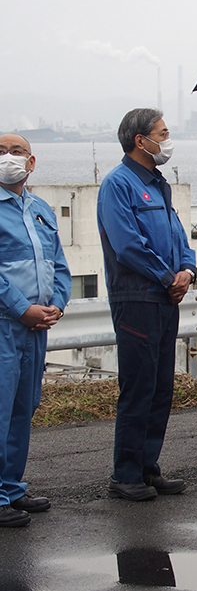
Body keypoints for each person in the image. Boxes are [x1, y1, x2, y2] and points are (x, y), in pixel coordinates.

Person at [97, 108, 195, 501]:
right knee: (138, 386)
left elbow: (176, 235)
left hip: (165, 296)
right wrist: (167, 276)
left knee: (160, 387)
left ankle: (147, 466)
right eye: (163, 133)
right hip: (137, 297)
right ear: (141, 141)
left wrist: (186, 268)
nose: (168, 140)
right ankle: (125, 474)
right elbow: (127, 245)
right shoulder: (117, 184)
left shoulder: (158, 184)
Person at [0, 134, 71, 527]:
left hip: (35, 327)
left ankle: (11, 488)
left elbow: (59, 263)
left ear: (31, 162)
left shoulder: (41, 209)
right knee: (0, 409)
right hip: (5, 324)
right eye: (0, 151)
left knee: (22, 410)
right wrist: (21, 308)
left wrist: (57, 304)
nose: (8, 158)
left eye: (16, 151)